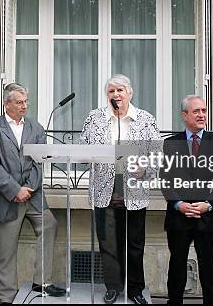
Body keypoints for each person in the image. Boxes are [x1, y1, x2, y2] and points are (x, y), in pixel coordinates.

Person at [80, 74, 160, 305]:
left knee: (134, 243)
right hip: (104, 187)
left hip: (134, 188)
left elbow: (158, 154)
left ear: (130, 93)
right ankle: (113, 287)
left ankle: (135, 290)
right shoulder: (95, 118)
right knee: (108, 242)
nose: (115, 95)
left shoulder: (144, 119)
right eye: (111, 91)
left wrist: (145, 167)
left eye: (120, 90)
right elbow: (83, 150)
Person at [0, 83, 66, 304]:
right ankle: (7, 297)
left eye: (26, 102)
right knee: (5, 250)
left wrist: (28, 187)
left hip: (33, 194)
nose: (24, 106)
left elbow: (40, 162)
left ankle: (42, 282)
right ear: (6, 104)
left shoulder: (36, 128)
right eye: (19, 102)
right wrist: (14, 189)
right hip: (5, 198)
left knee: (49, 225)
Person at [161, 95, 213, 305]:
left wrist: (208, 204)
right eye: (196, 111)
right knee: (177, 264)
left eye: (204, 111)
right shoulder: (171, 143)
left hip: (207, 215)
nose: (201, 115)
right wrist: (179, 204)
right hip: (179, 216)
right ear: (184, 115)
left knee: (209, 265)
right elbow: (166, 180)